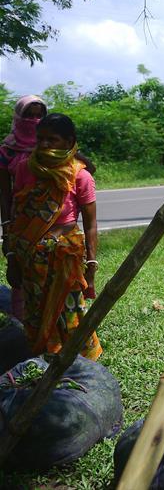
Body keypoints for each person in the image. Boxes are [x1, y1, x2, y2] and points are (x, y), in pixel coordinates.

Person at [5, 113, 101, 360]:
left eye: (53, 139)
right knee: (36, 310)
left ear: (69, 142)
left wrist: (91, 264)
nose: (45, 145)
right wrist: (13, 256)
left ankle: (76, 360)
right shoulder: (26, 168)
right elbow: (19, 216)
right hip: (31, 256)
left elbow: (90, 225)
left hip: (64, 256)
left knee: (69, 308)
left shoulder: (81, 176)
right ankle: (43, 355)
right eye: (41, 139)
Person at [0, 95, 49, 319]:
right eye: (29, 116)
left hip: (50, 223)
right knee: (21, 278)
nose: (35, 120)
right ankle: (24, 333)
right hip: (20, 224)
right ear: (19, 117)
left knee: (51, 278)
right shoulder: (7, 152)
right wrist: (7, 235)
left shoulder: (53, 146)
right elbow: (5, 196)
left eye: (40, 116)